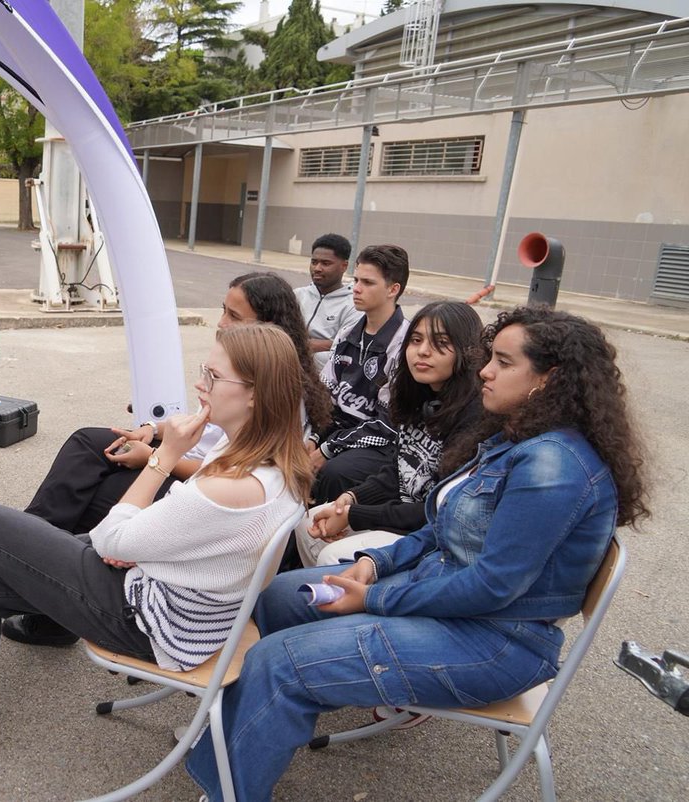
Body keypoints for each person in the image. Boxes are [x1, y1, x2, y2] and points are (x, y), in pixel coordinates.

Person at [185, 306, 648, 801]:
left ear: (548, 379)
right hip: (452, 611)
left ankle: (231, 784)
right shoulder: (517, 439)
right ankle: (257, 735)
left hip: (493, 643)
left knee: (279, 661)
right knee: (281, 595)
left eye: (504, 363)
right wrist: (374, 564)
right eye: (490, 357)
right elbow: (441, 526)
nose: (486, 370)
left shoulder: (553, 467)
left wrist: (372, 600)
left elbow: (492, 586)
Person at [0, 324, 313, 766]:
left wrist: (164, 458)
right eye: (204, 370)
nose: (200, 383)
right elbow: (155, 537)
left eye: (214, 377)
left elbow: (112, 538)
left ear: (255, 394)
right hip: (180, 605)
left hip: (146, 618)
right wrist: (130, 540)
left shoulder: (228, 483)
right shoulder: (272, 466)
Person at [4, 272, 330, 646]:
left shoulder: (268, 402)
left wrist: (158, 459)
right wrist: (152, 431)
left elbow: (219, 477)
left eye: (235, 317)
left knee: (94, 493)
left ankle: (32, 569)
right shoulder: (241, 378)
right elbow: (205, 430)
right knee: (90, 443)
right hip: (194, 476)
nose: (222, 323)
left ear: (267, 328)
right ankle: (36, 568)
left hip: (193, 491)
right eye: (224, 311)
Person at [297, 301, 484, 567]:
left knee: (331, 555)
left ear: (467, 351)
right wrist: (353, 497)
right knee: (307, 526)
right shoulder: (419, 396)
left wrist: (355, 515)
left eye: (440, 342)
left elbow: (434, 509)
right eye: (416, 340)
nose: (423, 351)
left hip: (429, 535)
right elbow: (399, 470)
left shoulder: (473, 417)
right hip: (398, 512)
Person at [308, 244, 412, 504]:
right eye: (355, 280)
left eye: (367, 282)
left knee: (334, 472)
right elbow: (326, 399)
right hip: (341, 431)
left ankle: (320, 533)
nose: (356, 288)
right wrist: (312, 439)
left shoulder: (406, 343)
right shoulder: (347, 334)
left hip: (380, 441)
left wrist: (327, 449)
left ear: (393, 289)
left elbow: (388, 425)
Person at [294, 234, 361, 371]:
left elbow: (347, 345)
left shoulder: (353, 304)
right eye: (314, 262)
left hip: (324, 376)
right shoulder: (297, 295)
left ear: (344, 266)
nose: (317, 268)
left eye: (325, 263)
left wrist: (308, 345)